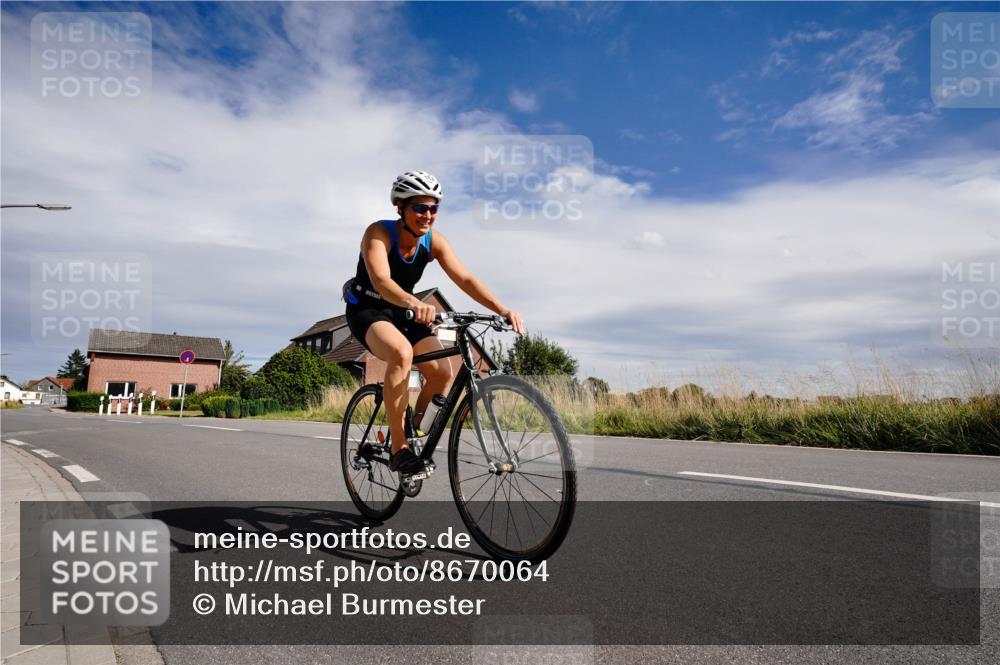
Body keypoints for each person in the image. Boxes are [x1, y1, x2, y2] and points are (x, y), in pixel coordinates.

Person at [344, 170, 525, 475]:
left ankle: (413, 432)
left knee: (443, 373)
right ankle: (399, 449)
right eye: (419, 207)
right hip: (368, 311)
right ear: (400, 207)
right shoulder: (378, 233)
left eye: (433, 208)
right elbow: (381, 279)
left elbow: (465, 278)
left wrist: (502, 309)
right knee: (401, 354)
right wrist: (415, 302)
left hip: (404, 313)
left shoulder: (433, 242)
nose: (427, 215)